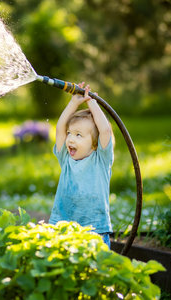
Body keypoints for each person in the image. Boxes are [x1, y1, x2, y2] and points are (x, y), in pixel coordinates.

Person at [49, 82, 114, 248]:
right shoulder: (66, 158)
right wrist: (73, 103)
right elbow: (59, 128)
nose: (70, 139)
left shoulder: (100, 160)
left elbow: (105, 131)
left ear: (94, 144)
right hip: (63, 227)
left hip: (94, 229)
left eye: (78, 135)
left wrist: (92, 102)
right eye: (70, 133)